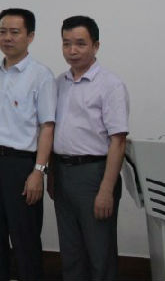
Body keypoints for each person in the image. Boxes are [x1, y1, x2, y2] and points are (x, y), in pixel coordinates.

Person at [0, 8, 55, 281]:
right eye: (3, 31)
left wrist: (39, 171)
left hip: (21, 166)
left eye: (15, 32)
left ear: (30, 36)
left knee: (25, 241)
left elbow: (47, 127)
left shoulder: (41, 75)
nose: (7, 37)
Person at [49, 16, 129, 281]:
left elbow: (118, 141)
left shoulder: (110, 85)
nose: (72, 50)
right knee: (71, 253)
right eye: (66, 43)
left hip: (94, 175)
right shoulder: (59, 83)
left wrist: (106, 190)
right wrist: (51, 174)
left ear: (96, 46)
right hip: (63, 173)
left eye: (80, 44)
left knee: (99, 253)